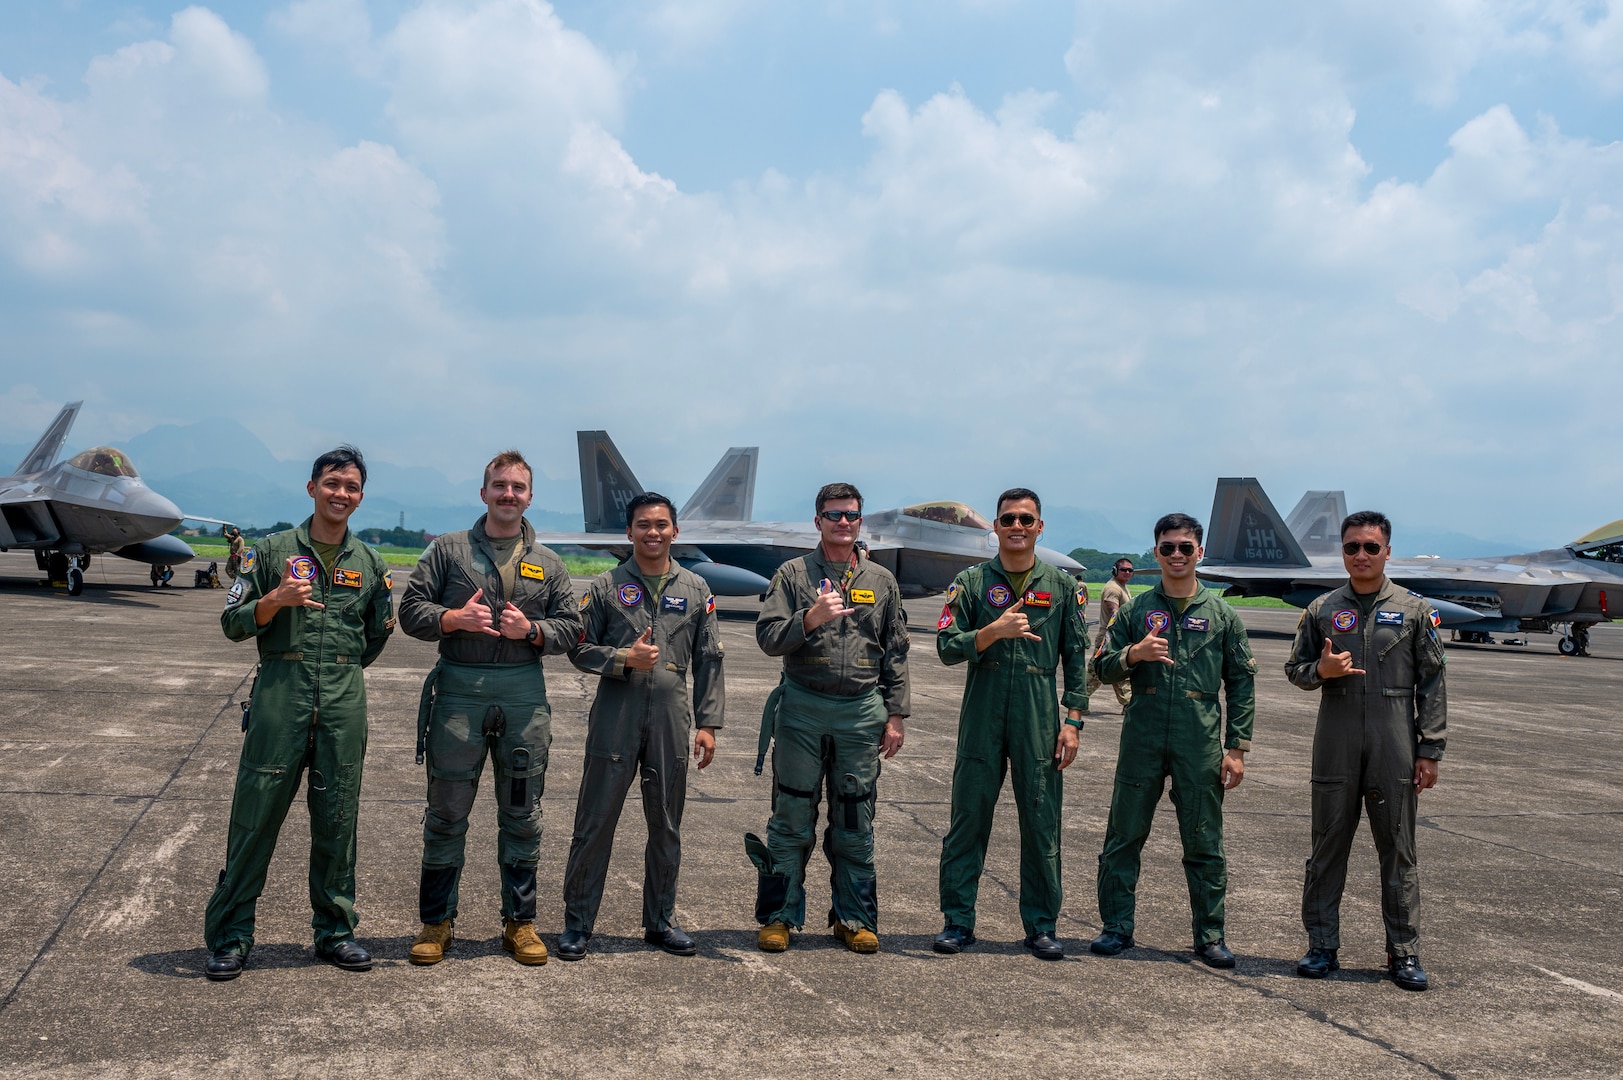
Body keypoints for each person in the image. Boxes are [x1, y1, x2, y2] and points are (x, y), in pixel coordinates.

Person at [205, 446, 394, 981]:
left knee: (338, 817)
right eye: (332, 483)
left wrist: (340, 673)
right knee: (255, 815)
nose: (341, 494)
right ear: (311, 488)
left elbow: (377, 635)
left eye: (352, 487)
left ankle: (335, 931)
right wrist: (276, 601)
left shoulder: (370, 562)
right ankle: (232, 936)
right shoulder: (269, 553)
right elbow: (232, 622)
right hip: (280, 693)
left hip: (342, 697)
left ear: (360, 497)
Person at [398, 450, 582, 967]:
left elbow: (573, 627)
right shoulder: (449, 552)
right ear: (483, 493)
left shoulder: (548, 563)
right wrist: (453, 619)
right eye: (499, 486)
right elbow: (411, 610)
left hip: (524, 695)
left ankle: (520, 924)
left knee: (523, 813)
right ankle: (436, 923)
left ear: (529, 496)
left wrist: (536, 632)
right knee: (446, 813)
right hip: (459, 692)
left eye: (517, 487)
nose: (508, 495)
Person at [558, 492, 725, 960]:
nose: (653, 532)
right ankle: (578, 924)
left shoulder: (696, 589)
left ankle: (660, 921)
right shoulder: (606, 586)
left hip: (672, 716)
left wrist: (708, 723)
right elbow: (577, 646)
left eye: (662, 525)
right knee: (595, 821)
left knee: (667, 822)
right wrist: (621, 658)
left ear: (676, 531)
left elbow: (710, 659)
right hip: (617, 712)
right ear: (629, 533)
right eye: (643, 525)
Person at [1284, 510, 1446, 991]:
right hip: (1335, 736)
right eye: (1352, 547)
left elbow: (1433, 680)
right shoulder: (1322, 608)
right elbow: (1295, 668)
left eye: (1370, 547)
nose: (1361, 555)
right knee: (1327, 846)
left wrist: (1430, 749)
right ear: (1343, 551)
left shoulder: (1416, 611)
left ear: (1387, 551)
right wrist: (1322, 672)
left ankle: (1403, 952)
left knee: (1398, 849)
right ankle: (1321, 946)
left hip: (1394, 737)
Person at [1089, 513, 1256, 967]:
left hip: (1198, 736)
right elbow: (1100, 667)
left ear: (1199, 553)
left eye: (1185, 547)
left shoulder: (1222, 615)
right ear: (1156, 552)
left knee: (1204, 840)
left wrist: (1236, 747)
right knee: (1124, 835)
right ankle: (1116, 927)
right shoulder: (1136, 610)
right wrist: (1133, 654)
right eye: (1168, 548)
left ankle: (1210, 934)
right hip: (1142, 731)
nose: (1177, 555)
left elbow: (1241, 682)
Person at [749, 482, 908, 954]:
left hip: (861, 712)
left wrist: (895, 713)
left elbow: (896, 652)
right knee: (791, 816)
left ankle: (853, 918)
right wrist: (810, 619)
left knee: (855, 819)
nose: (843, 522)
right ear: (817, 520)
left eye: (851, 515)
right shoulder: (793, 575)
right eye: (834, 514)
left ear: (861, 522)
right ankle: (779, 916)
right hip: (802, 708)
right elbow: (768, 637)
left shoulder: (882, 582)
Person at [933, 488, 1090, 960]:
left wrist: (1073, 721)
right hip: (983, 710)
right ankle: (958, 922)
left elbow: (1077, 658)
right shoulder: (971, 583)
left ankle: (1041, 925)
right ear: (995, 528)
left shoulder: (1062, 588)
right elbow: (946, 646)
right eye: (1008, 519)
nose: (1016, 527)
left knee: (1042, 822)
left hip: (1039, 715)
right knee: (968, 820)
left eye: (1026, 519)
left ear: (1040, 527)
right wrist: (991, 632)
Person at [1086, 558, 1135, 709]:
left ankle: (1128, 703)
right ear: (1115, 571)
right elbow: (1115, 614)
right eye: (1123, 570)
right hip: (1110, 638)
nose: (1127, 572)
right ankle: (1079, 700)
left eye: (1130, 570)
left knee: (1118, 670)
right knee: (1097, 671)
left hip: (1117, 637)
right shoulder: (1113, 589)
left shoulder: (1122, 587)